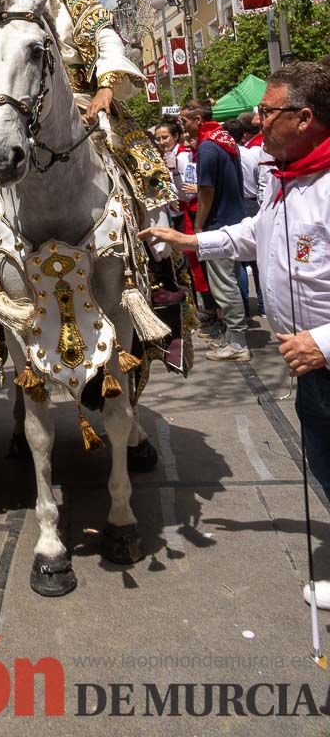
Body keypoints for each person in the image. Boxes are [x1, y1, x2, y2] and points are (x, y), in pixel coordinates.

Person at [0, 0, 193, 375]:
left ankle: (155, 267)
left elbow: (107, 38)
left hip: (84, 109)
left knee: (143, 165)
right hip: (14, 116)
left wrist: (107, 86)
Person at [141, 61, 330, 605]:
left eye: (268, 112)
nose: (256, 120)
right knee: (324, 466)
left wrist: (323, 341)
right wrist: (189, 242)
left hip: (321, 357)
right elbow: (253, 234)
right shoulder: (286, 178)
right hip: (309, 368)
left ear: (305, 117)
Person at [176, 102, 248, 361]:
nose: (181, 126)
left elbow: (206, 190)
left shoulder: (207, 146)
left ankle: (238, 343)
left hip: (218, 223)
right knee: (230, 280)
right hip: (234, 219)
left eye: (184, 121)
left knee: (224, 285)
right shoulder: (223, 138)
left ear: (197, 119)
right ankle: (235, 336)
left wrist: (198, 225)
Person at [224, 117, 265, 317]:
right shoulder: (253, 155)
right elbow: (261, 181)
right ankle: (263, 305)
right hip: (253, 202)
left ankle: (245, 308)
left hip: (237, 203)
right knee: (259, 258)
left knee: (239, 258)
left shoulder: (228, 156)